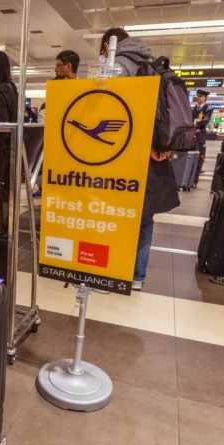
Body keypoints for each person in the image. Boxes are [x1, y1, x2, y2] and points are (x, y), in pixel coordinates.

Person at [100, 27, 180, 290]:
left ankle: (114, 272)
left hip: (129, 157)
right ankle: (138, 276)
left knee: (117, 216)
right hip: (155, 155)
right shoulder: (152, 66)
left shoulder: (121, 65)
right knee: (145, 220)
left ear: (107, 46)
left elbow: (115, 114)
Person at [192, 89, 213, 186]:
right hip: (191, 136)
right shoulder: (194, 108)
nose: (198, 98)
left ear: (205, 98)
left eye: (200, 96)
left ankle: (194, 181)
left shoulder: (208, 109)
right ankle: (188, 180)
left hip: (200, 138)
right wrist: (197, 121)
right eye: (198, 96)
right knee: (190, 158)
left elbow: (205, 121)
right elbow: (190, 119)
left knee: (199, 160)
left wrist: (196, 121)